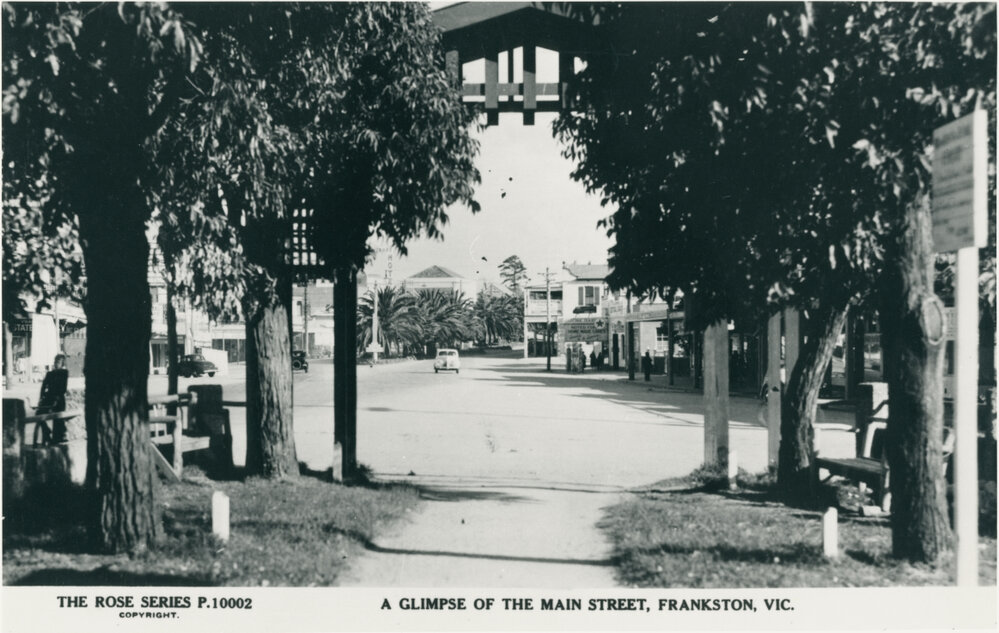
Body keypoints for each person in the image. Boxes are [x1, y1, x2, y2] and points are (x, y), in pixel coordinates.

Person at [36, 353, 69, 443]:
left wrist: (56, 399)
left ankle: (57, 438)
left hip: (59, 399)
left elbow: (63, 388)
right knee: (38, 414)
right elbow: (43, 386)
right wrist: (41, 398)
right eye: (55, 362)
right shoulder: (50, 374)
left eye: (58, 362)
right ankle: (46, 431)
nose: (56, 364)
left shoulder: (64, 373)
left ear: (62, 364)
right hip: (49, 398)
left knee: (57, 418)